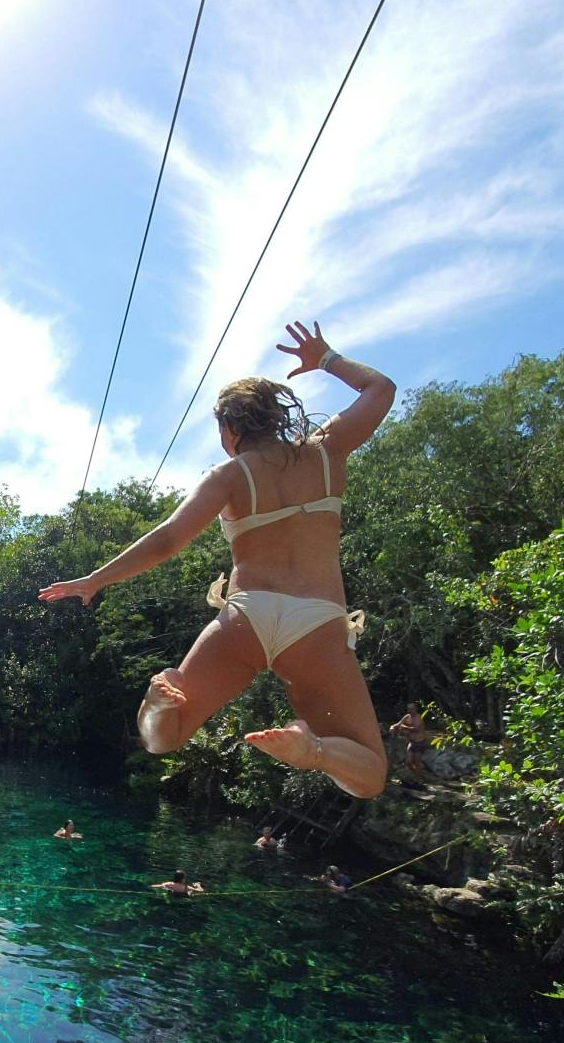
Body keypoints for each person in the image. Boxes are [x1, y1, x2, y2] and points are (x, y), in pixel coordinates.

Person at [40, 320, 395, 797]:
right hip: (317, 623)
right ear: (275, 418)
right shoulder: (326, 451)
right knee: (369, 775)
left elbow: (167, 540)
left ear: (229, 429)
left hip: (248, 616)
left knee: (162, 740)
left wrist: (95, 579)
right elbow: (381, 389)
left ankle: (157, 703)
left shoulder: (229, 475)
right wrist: (326, 358)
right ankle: (314, 751)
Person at [390, 701, 431, 783]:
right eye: (408, 709)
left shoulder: (418, 717)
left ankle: (419, 779)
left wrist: (403, 726)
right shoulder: (407, 716)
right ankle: (416, 775)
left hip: (420, 742)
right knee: (408, 762)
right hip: (411, 742)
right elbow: (398, 724)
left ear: (415, 709)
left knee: (417, 762)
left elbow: (416, 729)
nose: (410, 710)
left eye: (412, 708)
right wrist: (392, 727)